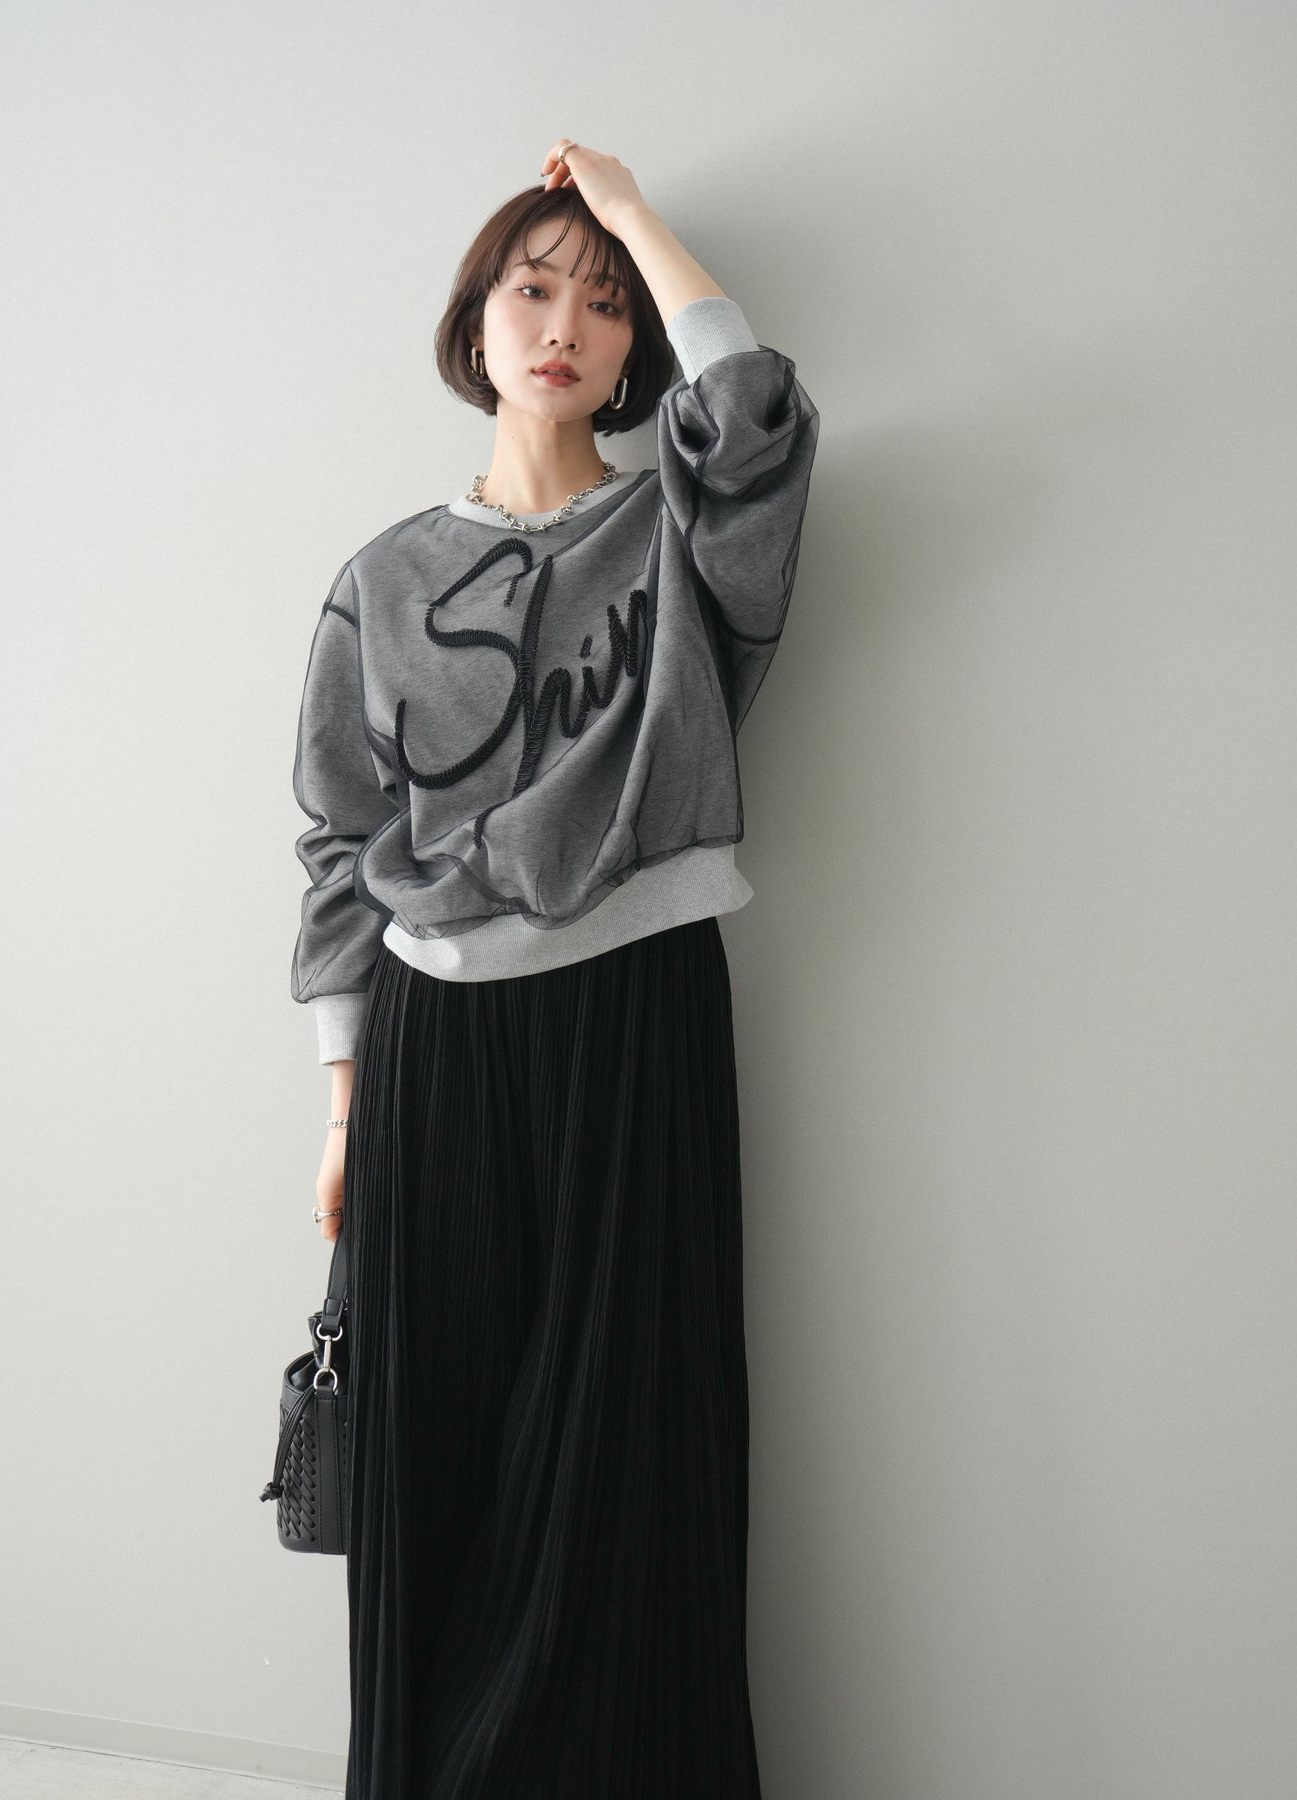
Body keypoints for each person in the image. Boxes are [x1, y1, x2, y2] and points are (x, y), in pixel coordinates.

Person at [290, 138, 819, 1800]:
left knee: (625, 1434)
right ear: (477, 320)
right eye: (533, 289)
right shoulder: (382, 578)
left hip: (633, 1004)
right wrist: (342, 1099)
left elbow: (752, 417)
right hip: (431, 1032)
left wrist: (632, 214)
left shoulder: (684, 529)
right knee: (434, 1437)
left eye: (603, 304)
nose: (565, 327)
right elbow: (336, 843)